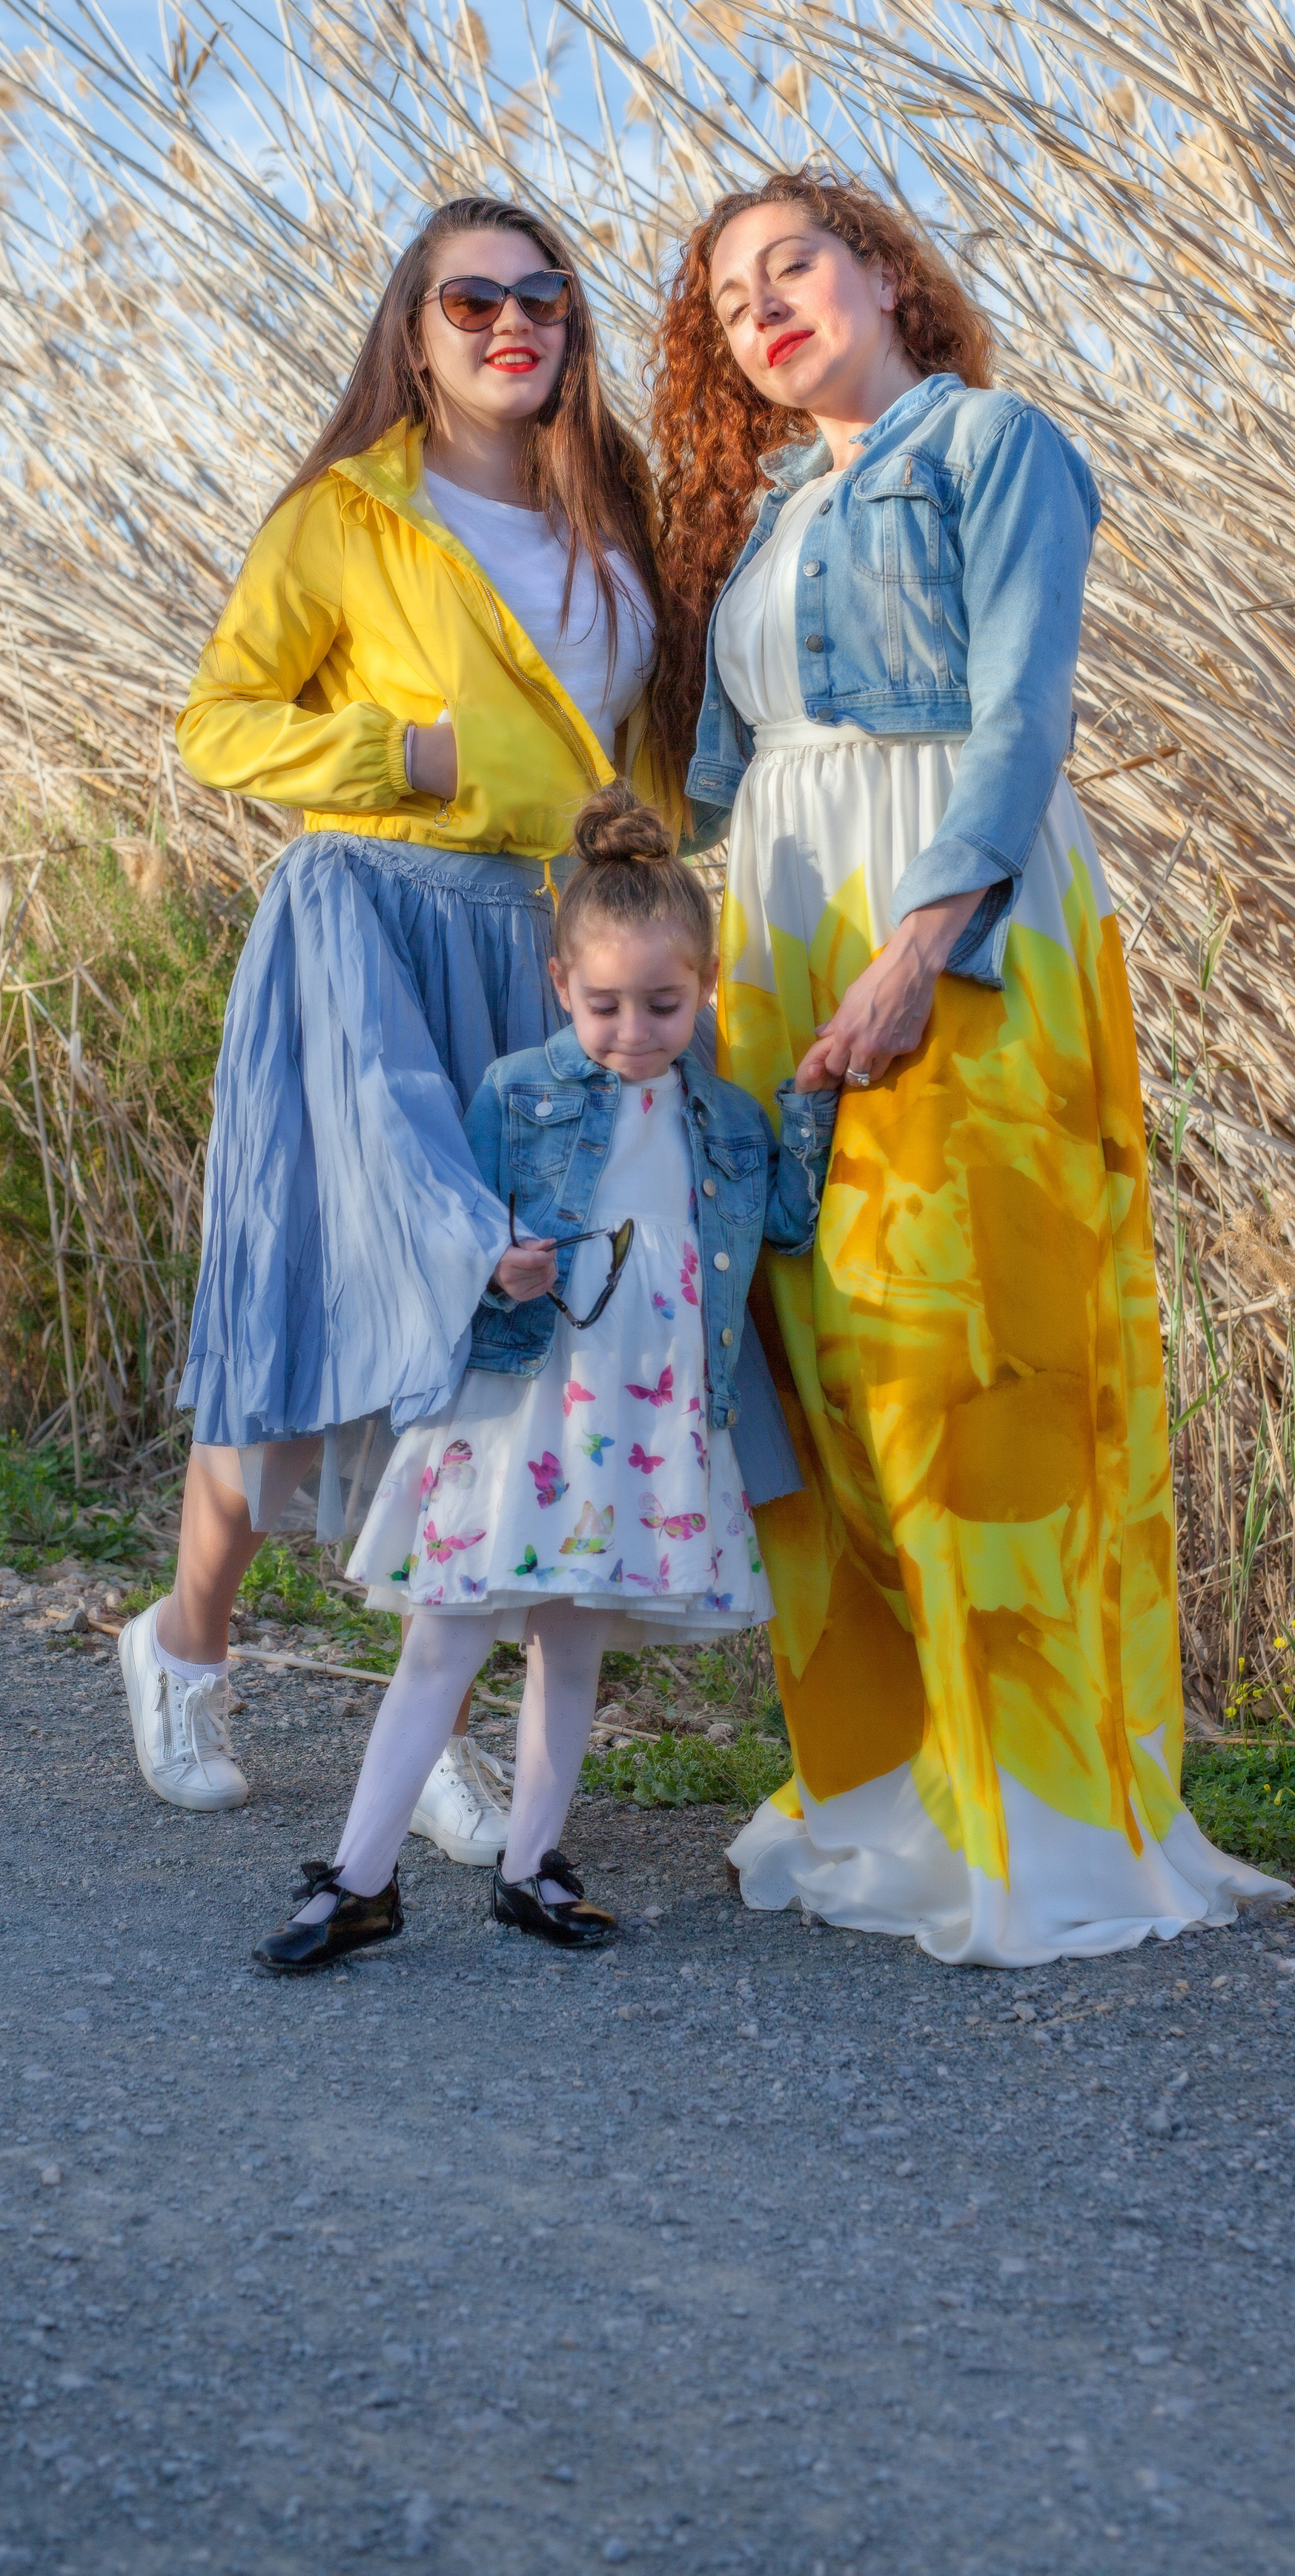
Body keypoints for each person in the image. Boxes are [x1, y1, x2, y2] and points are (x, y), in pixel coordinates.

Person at [651, 169, 1286, 1964]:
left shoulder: (989, 445)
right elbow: (702, 781)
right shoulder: (774, 510)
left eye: (795, 265)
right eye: (727, 300)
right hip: (780, 936)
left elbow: (1018, 713)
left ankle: (1040, 1809)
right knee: (823, 1363)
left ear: (887, 280)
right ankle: (886, 1780)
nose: (763, 307)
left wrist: (923, 948)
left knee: (969, 1362)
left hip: (950, 914)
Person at [119, 194, 684, 1860]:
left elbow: (646, 744)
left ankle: (419, 1712)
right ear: (412, 329)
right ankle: (184, 1648)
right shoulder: (347, 513)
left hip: (545, 949)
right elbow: (215, 723)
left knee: (505, 1325)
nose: (511, 323)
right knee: (332, 1288)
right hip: (371, 923)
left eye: (542, 297)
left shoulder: (617, 507)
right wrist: (396, 754)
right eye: (469, 300)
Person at [250, 785, 838, 1970]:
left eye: (665, 1005)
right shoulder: (518, 1091)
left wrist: (812, 1107)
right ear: (561, 983)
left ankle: (533, 1864)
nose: (635, 1030)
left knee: (571, 1645)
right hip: (522, 1407)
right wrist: (490, 1262)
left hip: (645, 1415)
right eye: (606, 1003)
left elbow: (780, 1227)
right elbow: (456, 1228)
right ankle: (359, 1878)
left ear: (705, 987)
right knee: (445, 1634)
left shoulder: (725, 1119)